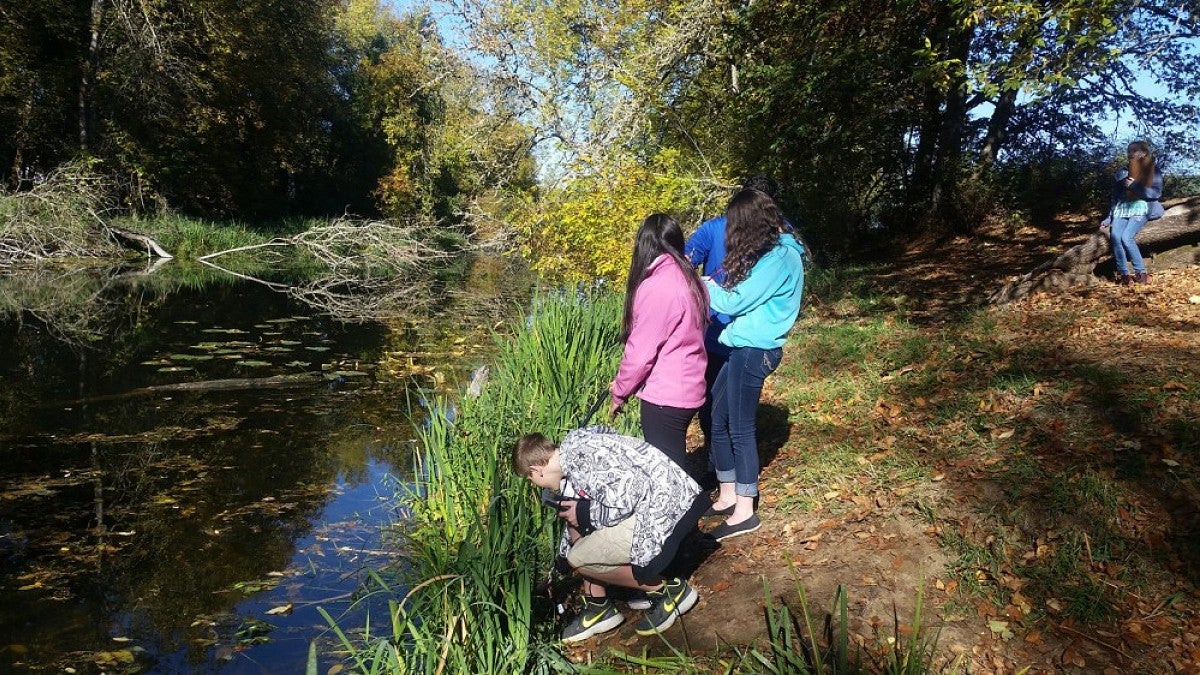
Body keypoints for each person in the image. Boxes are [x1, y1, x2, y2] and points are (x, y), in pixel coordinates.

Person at [514, 426, 709, 642]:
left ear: (536, 469)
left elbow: (628, 495)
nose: (536, 485)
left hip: (662, 510)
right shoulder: (574, 451)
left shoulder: (581, 461)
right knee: (576, 526)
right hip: (672, 496)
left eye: (530, 479)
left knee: (578, 558)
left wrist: (585, 515)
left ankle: (667, 590)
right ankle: (597, 606)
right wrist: (560, 564)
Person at [701, 188, 805, 542]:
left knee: (741, 427)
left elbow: (738, 299)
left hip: (755, 349)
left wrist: (699, 285)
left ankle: (745, 510)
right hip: (741, 344)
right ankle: (727, 493)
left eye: (734, 225)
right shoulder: (770, 254)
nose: (730, 233)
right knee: (718, 417)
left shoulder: (780, 257)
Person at [685, 175, 806, 448]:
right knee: (718, 408)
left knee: (731, 415)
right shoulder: (714, 229)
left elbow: (685, 268)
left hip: (745, 337)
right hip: (720, 334)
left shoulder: (779, 242)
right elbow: (686, 261)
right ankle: (718, 468)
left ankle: (730, 474)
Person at [609, 214, 709, 474]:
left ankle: (685, 514)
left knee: (667, 473)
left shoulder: (658, 286)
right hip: (691, 385)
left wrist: (620, 391)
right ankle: (687, 510)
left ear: (645, 245)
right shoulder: (693, 279)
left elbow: (640, 354)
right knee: (673, 464)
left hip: (667, 396)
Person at [1101, 140, 1164, 285]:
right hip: (1121, 209)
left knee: (1127, 237)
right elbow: (1115, 198)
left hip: (1142, 208)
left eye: (1134, 150)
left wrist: (1134, 186)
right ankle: (1124, 275)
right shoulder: (1122, 172)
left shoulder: (1153, 169)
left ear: (1144, 153)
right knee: (1116, 237)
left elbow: (1156, 193)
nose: (1131, 153)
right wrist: (1109, 218)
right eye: (1129, 150)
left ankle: (1141, 273)